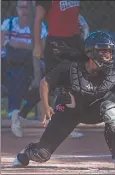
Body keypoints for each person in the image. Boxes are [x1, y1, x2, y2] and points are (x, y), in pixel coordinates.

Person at [11, 31, 115, 169]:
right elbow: (45, 83)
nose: (108, 56)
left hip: (91, 112)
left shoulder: (111, 75)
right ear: (91, 52)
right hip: (67, 112)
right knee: (41, 155)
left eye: (110, 52)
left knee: (111, 110)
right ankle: (28, 151)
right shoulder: (70, 68)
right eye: (104, 51)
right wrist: (46, 106)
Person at [11, 1, 89, 139]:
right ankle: (20, 115)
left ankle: (63, 124)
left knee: (74, 83)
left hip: (75, 41)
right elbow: (38, 19)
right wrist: (37, 46)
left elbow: (72, 14)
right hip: (57, 43)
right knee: (50, 84)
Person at [1, 1, 47, 119]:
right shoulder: (8, 24)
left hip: (30, 64)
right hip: (8, 63)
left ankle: (15, 111)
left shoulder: (39, 26)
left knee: (20, 71)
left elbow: (41, 49)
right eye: (21, 7)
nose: (24, 11)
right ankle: (16, 112)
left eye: (27, 8)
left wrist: (15, 43)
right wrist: (30, 46)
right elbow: (1, 44)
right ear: (17, 9)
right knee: (16, 71)